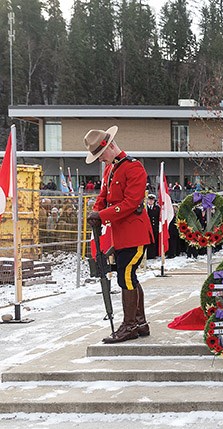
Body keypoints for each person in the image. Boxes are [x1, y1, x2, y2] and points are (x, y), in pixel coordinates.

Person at [84, 125, 153, 344]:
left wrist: (102, 215)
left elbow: (131, 203)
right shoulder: (110, 169)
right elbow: (103, 195)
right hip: (121, 234)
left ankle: (129, 326)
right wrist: (96, 211)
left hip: (134, 233)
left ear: (110, 146)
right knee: (129, 276)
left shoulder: (134, 168)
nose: (100, 160)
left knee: (126, 277)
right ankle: (140, 323)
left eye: (101, 155)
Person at [145, 194, 160, 259]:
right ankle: (148, 255)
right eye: (149, 200)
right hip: (147, 228)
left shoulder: (157, 208)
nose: (151, 201)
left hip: (155, 228)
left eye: (152, 200)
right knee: (148, 242)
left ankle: (153, 254)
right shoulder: (145, 208)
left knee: (154, 241)